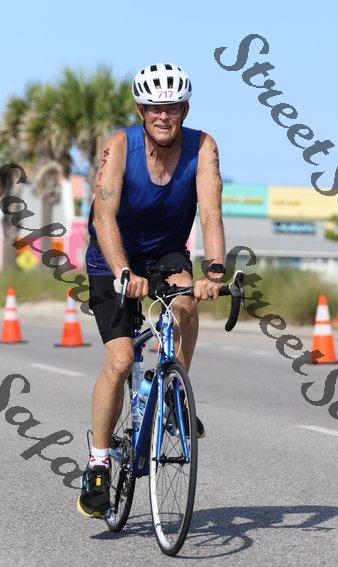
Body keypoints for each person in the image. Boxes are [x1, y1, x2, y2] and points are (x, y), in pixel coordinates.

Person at [77, 62, 226, 518]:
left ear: (185, 110)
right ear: (142, 111)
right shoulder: (118, 147)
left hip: (166, 253)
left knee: (186, 303)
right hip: (112, 256)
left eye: (173, 107)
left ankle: (176, 395)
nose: (164, 116)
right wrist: (123, 271)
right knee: (121, 360)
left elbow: (211, 212)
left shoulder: (203, 147)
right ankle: (98, 463)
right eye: (155, 108)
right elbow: (103, 215)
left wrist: (215, 271)